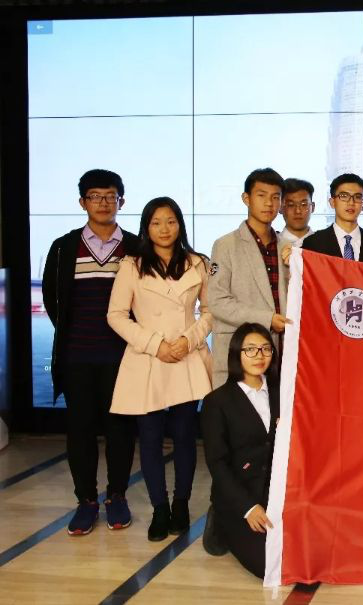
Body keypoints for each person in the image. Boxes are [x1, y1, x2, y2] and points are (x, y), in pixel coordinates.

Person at [107, 197, 213, 541]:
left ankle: (181, 505)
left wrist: (188, 339)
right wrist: (156, 345)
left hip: (186, 357)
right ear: (146, 227)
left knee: (184, 437)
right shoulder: (132, 265)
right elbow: (116, 315)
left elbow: (211, 310)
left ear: (179, 224)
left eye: (170, 221)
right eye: (156, 222)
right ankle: (159, 508)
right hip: (148, 358)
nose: (164, 229)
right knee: (150, 439)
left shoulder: (198, 263)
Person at [41, 168, 138, 535]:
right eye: (95, 196)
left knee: (120, 430)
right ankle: (86, 501)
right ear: (82, 202)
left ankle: (117, 497)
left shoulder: (134, 246)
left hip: (122, 358)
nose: (103, 203)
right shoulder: (64, 247)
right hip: (77, 356)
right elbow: (52, 298)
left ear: (121, 201)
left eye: (110, 196)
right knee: (79, 431)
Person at [201, 323, 279, 579]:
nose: (259, 356)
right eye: (251, 349)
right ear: (237, 353)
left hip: (277, 494)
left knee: (306, 551)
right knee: (269, 564)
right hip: (241, 498)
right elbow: (217, 463)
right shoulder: (217, 402)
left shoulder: (282, 393)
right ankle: (220, 522)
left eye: (266, 349)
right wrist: (248, 507)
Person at [208, 167, 289, 389]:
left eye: (275, 197)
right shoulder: (225, 245)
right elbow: (217, 301)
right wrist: (267, 319)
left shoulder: (287, 248)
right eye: (261, 195)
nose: (269, 203)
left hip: (280, 354)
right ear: (246, 198)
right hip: (239, 352)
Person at [297, 173, 363, 265]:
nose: (351, 202)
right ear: (332, 202)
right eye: (344, 196)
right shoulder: (313, 243)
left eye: (357, 197)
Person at [278, 178, 315, 249]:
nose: (298, 211)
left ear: (312, 207)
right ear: (280, 208)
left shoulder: (325, 244)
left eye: (303, 204)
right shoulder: (272, 245)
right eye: (291, 205)